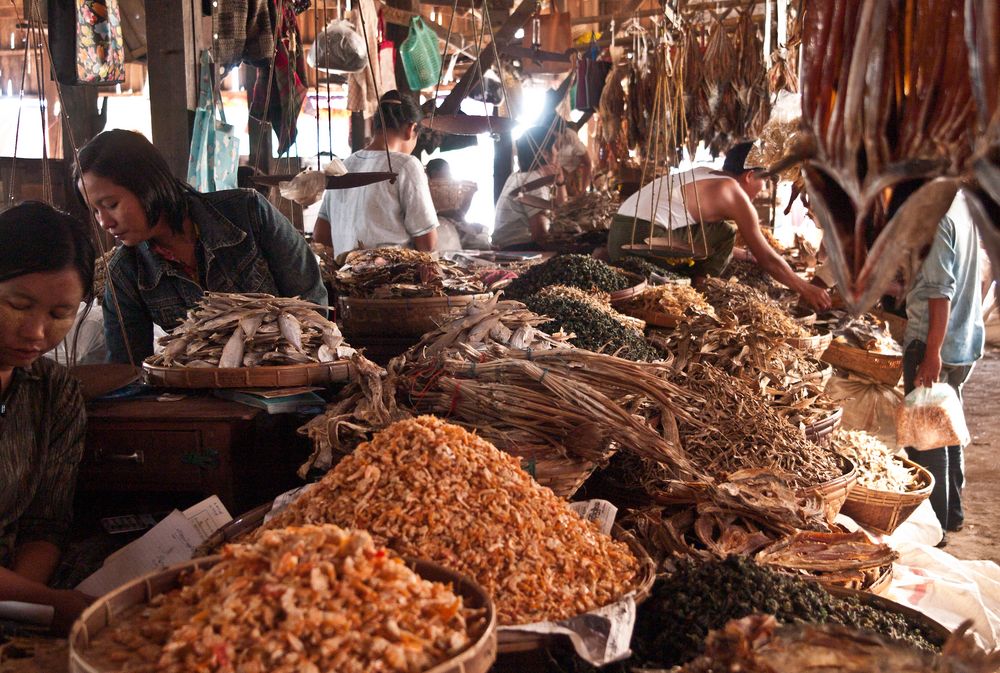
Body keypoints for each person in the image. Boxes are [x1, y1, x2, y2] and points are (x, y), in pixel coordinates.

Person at [76, 129, 327, 364]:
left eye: (110, 204)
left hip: (290, 379)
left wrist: (292, 364)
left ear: (146, 186)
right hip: (204, 399)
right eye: (95, 211)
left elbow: (312, 304)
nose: (104, 222)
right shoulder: (125, 273)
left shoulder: (247, 214)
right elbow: (128, 367)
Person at [0, 202, 95, 632]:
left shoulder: (54, 391)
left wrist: (25, 604)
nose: (37, 333)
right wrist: (49, 605)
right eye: (19, 305)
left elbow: (45, 523)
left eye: (61, 315)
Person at [608, 141, 832, 311]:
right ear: (750, 175)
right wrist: (805, 288)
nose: (763, 187)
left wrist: (743, 255)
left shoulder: (705, 174)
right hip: (643, 237)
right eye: (763, 180)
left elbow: (698, 239)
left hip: (619, 234)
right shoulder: (732, 192)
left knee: (719, 231)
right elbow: (767, 258)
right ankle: (699, 290)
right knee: (726, 231)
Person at [903, 206, 985, 538]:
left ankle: (933, 529)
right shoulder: (964, 207)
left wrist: (931, 352)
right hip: (963, 340)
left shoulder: (936, 217)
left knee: (928, 441)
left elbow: (941, 293)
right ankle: (952, 514)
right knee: (948, 430)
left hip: (934, 342)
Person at [314, 91, 439, 258]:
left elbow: (320, 235)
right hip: (388, 280)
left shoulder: (344, 165)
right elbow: (427, 243)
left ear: (376, 125)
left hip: (343, 279)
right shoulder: (407, 165)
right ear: (411, 129)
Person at [492, 125, 569, 251]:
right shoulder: (532, 180)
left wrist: (560, 182)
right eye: (555, 148)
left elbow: (562, 206)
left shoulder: (519, 175)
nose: (557, 153)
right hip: (518, 249)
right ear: (545, 153)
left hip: (510, 246)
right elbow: (540, 235)